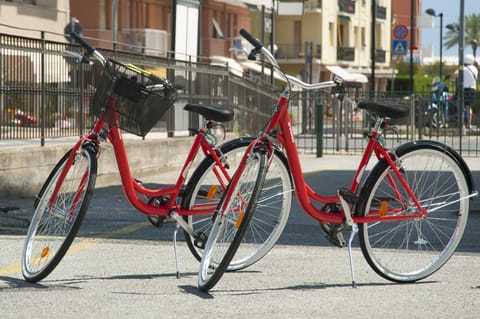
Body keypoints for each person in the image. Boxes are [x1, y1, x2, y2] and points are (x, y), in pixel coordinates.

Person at [454, 54, 478, 128]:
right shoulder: (475, 69)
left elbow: (455, 74)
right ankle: (469, 123)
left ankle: (461, 123)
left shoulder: (463, 69)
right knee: (469, 107)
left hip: (465, 89)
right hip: (472, 89)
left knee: (460, 105)